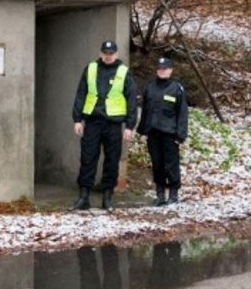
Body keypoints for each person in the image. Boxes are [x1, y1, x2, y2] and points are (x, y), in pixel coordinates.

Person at [71, 40, 137, 211]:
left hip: (113, 124)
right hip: (92, 122)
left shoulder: (124, 72)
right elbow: (81, 94)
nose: (108, 56)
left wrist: (130, 126)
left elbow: (131, 100)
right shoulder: (91, 68)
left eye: (111, 53)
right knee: (87, 159)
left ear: (116, 54)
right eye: (105, 53)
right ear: (101, 53)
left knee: (112, 160)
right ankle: (83, 197)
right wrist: (77, 119)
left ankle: (107, 197)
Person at [138, 57, 189, 205]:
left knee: (171, 164)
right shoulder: (150, 87)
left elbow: (182, 113)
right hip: (153, 132)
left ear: (171, 70)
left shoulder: (177, 89)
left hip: (170, 133)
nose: (162, 71)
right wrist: (143, 131)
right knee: (157, 163)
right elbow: (146, 111)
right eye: (160, 68)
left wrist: (180, 135)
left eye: (165, 69)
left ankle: (173, 193)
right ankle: (160, 194)